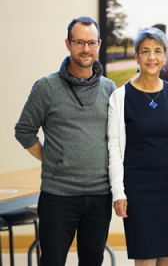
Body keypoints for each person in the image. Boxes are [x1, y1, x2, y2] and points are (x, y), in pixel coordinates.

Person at [14, 16, 116, 266]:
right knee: (52, 261)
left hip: (100, 195)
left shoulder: (109, 88)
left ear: (99, 44)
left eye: (91, 42)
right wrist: (51, 159)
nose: (86, 49)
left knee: (92, 261)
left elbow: (117, 138)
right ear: (68, 44)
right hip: (58, 196)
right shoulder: (46, 87)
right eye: (79, 42)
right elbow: (24, 130)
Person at [107, 27, 168, 266]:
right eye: (145, 51)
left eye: (158, 51)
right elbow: (114, 147)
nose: (152, 57)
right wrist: (119, 191)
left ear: (165, 56)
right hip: (137, 189)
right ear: (136, 56)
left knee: (167, 256)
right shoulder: (120, 96)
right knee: (144, 256)